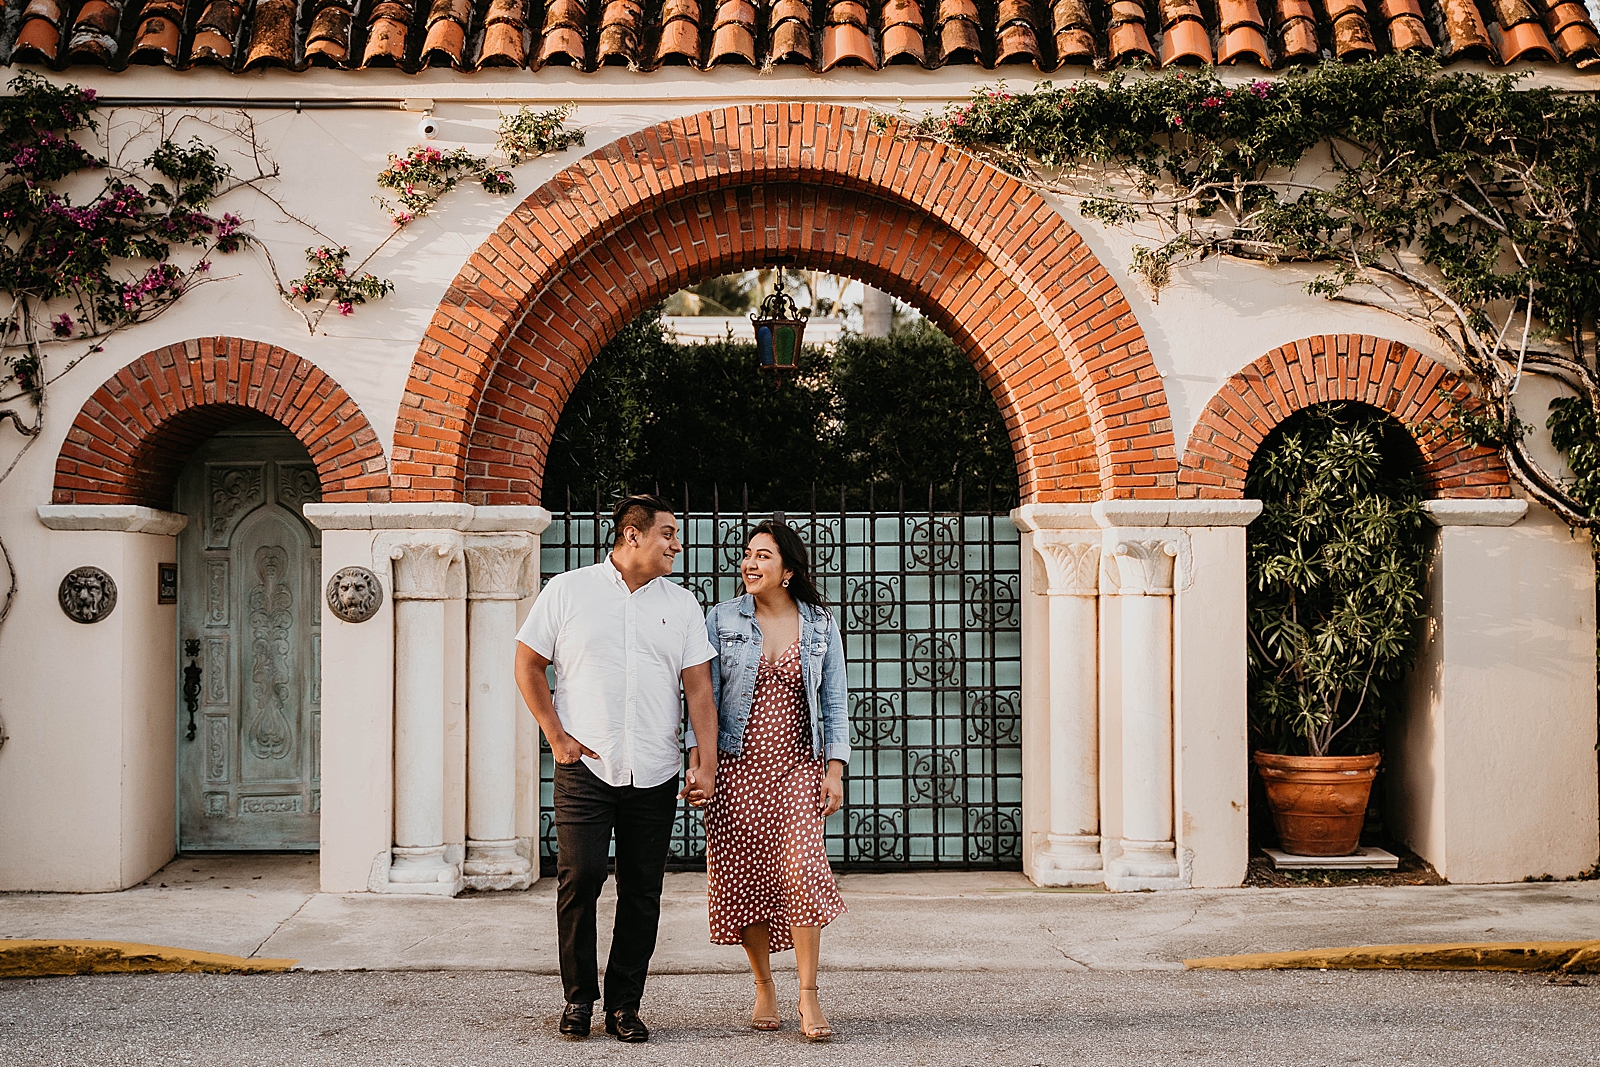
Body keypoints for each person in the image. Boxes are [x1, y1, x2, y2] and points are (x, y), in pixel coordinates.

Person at [514, 494, 719, 1044]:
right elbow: (528, 663)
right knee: (579, 879)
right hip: (586, 767)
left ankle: (625, 1005)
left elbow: (698, 686)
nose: (678, 545)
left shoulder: (682, 605)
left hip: (655, 767)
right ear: (633, 536)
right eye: (668, 534)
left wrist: (708, 760)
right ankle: (579, 999)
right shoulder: (568, 590)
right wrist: (556, 737)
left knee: (643, 891)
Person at [685, 520, 849, 1041]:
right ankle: (763, 986)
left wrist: (835, 770)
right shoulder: (721, 618)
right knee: (744, 880)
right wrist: (700, 764)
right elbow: (701, 699)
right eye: (747, 555)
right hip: (736, 768)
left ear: (788, 570)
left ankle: (807, 994)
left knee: (802, 871)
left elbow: (835, 703)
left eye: (762, 557)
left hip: (799, 767)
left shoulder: (820, 623)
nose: (749, 565)